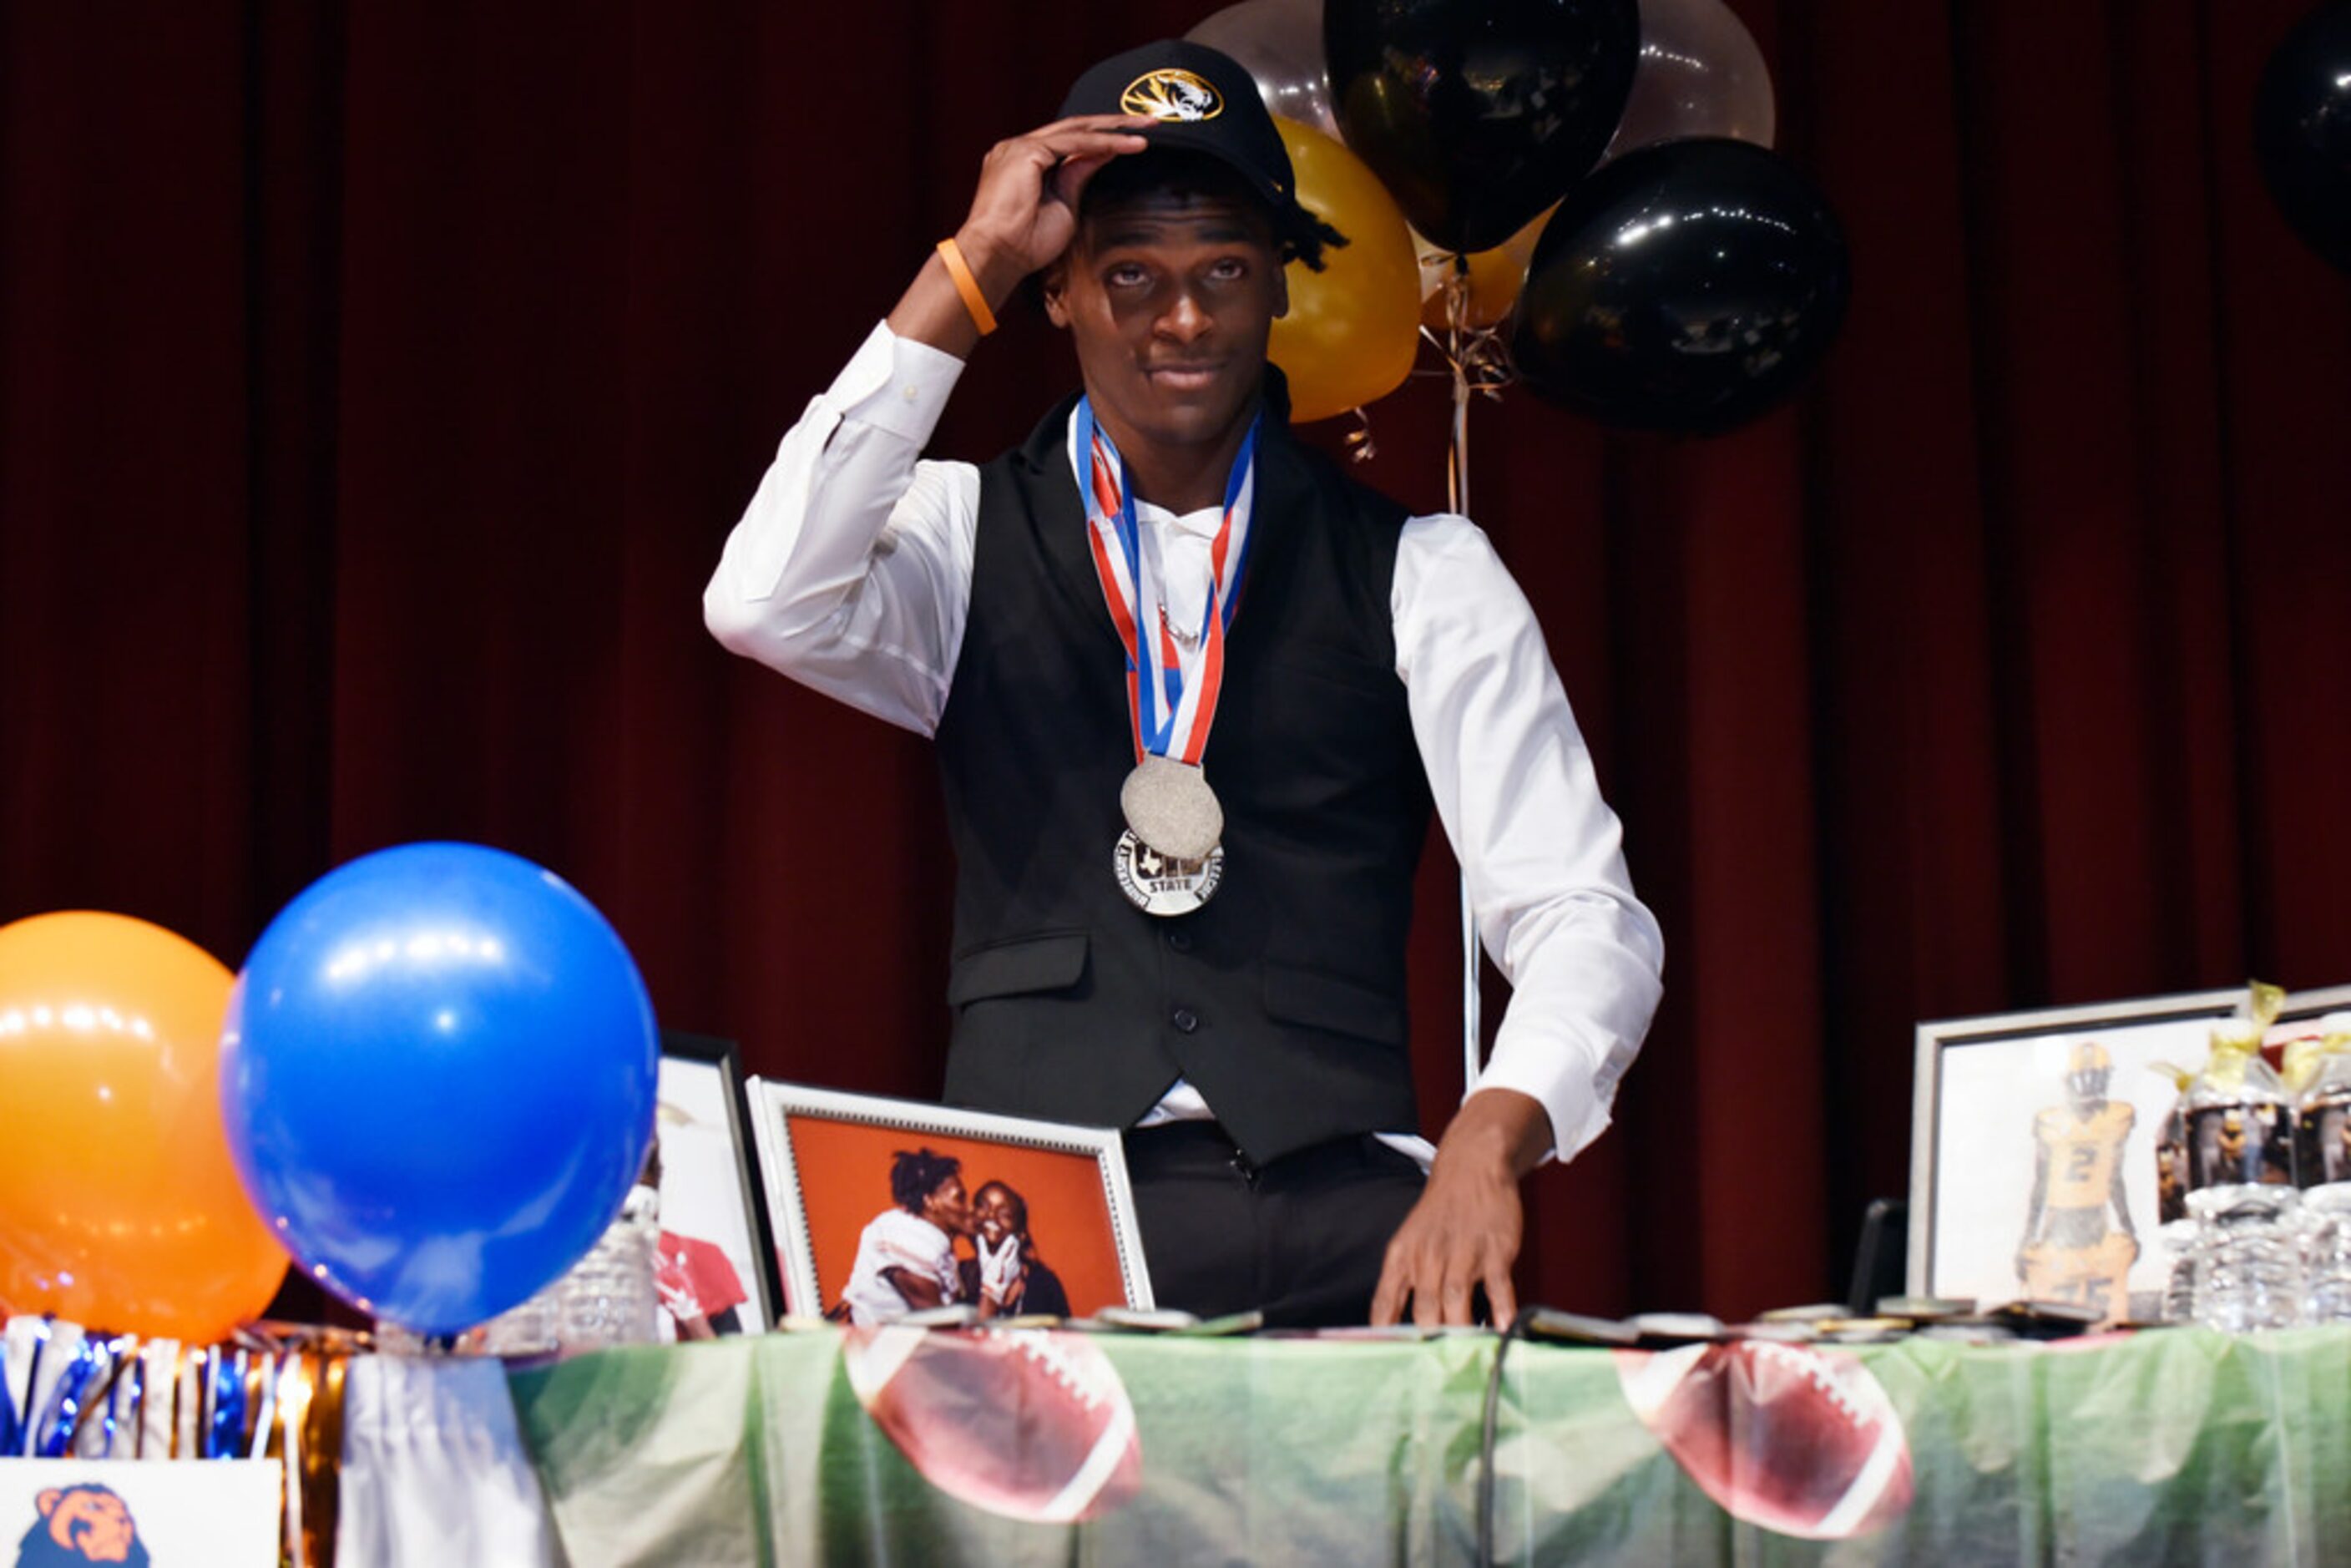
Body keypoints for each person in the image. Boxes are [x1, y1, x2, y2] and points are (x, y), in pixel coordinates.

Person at [706, 39, 1663, 1327]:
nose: (1184, 318)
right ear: (1059, 296)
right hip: (1031, 1225)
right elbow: (759, 599)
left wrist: (1496, 1129)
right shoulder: (951, 533)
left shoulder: (1426, 570)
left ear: (1279, 282)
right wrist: (971, 268)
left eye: (1223, 268)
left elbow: (1582, 911)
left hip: (1349, 1220)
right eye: (1129, 276)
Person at [2016, 1039, 2138, 1319]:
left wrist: (2027, 1237)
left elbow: (2111, 1179)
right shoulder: (2111, 1117)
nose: (2092, 1084)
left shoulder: (2060, 1120)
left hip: (2087, 1218)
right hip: (2068, 1220)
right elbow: (2043, 1184)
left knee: (2091, 1290)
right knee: (2065, 1289)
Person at [837, 1147, 972, 1324]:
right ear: (930, 1202)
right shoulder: (906, 1238)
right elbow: (942, 1328)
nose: (969, 1208)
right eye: (959, 1198)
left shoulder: (932, 1240)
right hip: (868, 1346)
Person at [958, 1180, 1073, 1318]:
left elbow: (1062, 1335)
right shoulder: (961, 1275)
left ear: (1021, 1234)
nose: (991, 1216)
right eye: (984, 1207)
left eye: (1005, 1214)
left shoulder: (1044, 1283)